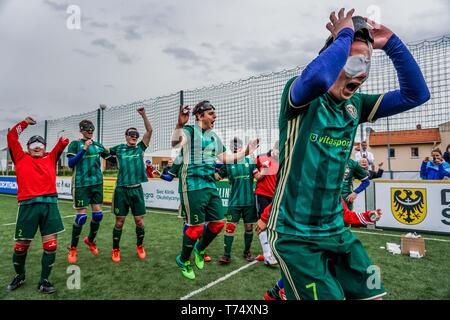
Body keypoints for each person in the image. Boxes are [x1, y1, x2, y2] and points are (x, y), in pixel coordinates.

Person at [267, 9, 429, 300]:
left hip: (337, 231)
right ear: (333, 57)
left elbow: (416, 94)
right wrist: (342, 34)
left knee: (374, 293)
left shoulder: (357, 107)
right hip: (295, 234)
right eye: (352, 60)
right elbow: (317, 79)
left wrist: (391, 43)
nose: (361, 70)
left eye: (366, 62)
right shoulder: (302, 95)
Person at [171, 101, 259, 280]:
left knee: (218, 223)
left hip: (210, 184)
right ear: (200, 116)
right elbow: (175, 143)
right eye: (211, 113)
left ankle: (199, 249)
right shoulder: (189, 131)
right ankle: (183, 260)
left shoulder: (214, 137)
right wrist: (179, 124)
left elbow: (227, 158)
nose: (215, 117)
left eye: (214, 114)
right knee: (195, 228)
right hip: (192, 185)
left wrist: (247, 151)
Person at [259, 199, 382, 300]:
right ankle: (279, 292)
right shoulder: (309, 178)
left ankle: (278, 291)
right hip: (304, 241)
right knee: (309, 273)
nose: (344, 172)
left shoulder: (334, 189)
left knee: (374, 293)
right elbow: (286, 194)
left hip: (335, 240)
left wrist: (367, 216)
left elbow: (345, 214)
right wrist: (265, 218)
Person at [6, 117, 69, 293]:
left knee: (50, 246)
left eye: (40, 143)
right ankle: (20, 276)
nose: (37, 145)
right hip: (27, 206)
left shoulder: (50, 158)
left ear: (44, 147)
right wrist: (25, 122)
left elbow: (62, 145)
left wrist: (64, 141)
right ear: (27, 148)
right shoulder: (20, 157)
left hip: (50, 206)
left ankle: (44, 281)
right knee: (20, 247)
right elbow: (11, 137)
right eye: (33, 143)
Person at [109, 107, 153, 262]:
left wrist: (143, 115)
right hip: (121, 190)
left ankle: (140, 246)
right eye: (131, 134)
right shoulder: (118, 149)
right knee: (119, 221)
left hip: (136, 190)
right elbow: (104, 152)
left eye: (136, 135)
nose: (134, 137)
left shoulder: (140, 148)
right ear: (126, 136)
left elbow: (150, 130)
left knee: (139, 221)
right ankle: (115, 249)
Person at [67, 120, 111, 264]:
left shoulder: (97, 145)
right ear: (81, 130)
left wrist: (118, 151)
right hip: (81, 184)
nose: (90, 131)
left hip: (96, 183)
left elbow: (110, 156)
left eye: (91, 129)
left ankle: (90, 240)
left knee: (98, 215)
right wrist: (84, 149)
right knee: (82, 218)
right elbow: (71, 163)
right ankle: (73, 248)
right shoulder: (75, 144)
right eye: (87, 129)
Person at [216, 137, 258, 264]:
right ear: (230, 148)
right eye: (233, 146)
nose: (235, 147)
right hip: (234, 203)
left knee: (249, 227)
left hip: (249, 202)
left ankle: (247, 252)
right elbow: (217, 176)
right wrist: (204, 169)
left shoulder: (250, 161)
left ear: (241, 147)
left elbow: (258, 176)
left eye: (238, 145)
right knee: (229, 228)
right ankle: (226, 255)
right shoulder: (228, 163)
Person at [253, 142, 279, 266]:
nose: (278, 154)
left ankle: (269, 252)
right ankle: (267, 255)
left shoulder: (283, 160)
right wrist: (264, 170)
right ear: (273, 148)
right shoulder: (261, 157)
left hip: (275, 197)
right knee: (262, 223)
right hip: (262, 194)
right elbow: (256, 175)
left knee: (273, 224)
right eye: (277, 151)